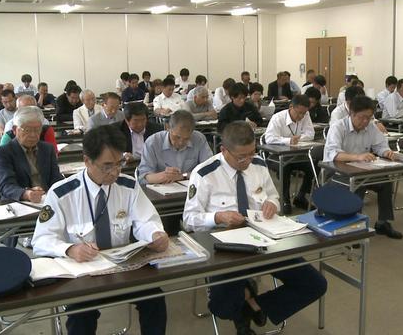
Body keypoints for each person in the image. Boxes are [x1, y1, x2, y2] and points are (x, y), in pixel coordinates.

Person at [183, 121, 327, 335]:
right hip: (224, 247)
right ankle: (244, 300)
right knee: (222, 306)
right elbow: (189, 219)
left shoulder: (258, 165)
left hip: (263, 240)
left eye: (252, 153)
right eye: (241, 156)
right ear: (224, 151)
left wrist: (272, 204)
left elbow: (273, 196)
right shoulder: (204, 174)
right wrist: (218, 216)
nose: (247, 161)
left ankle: (254, 305)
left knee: (314, 284)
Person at [31, 125, 168, 335]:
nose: (115, 172)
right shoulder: (62, 194)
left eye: (119, 163)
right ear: (87, 161)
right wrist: (70, 249)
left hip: (122, 269)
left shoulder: (128, 186)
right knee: (81, 315)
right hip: (83, 275)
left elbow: (144, 220)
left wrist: (154, 234)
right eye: (106, 166)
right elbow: (41, 240)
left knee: (155, 300)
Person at [323, 96, 403, 239]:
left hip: (361, 170)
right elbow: (333, 154)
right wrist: (357, 157)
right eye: (362, 117)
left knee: (385, 182)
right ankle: (353, 227)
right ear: (351, 114)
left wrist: (387, 152)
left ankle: (383, 222)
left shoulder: (370, 127)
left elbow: (380, 145)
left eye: (369, 117)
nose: (366, 121)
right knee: (359, 185)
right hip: (336, 172)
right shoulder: (338, 127)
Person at [0, 106, 63, 205]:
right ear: (14, 129)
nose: (33, 135)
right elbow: (6, 186)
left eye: (37, 130)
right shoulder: (3, 152)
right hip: (18, 203)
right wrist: (26, 194)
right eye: (27, 130)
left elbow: (56, 178)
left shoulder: (47, 149)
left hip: (47, 202)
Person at [264, 95, 315, 213]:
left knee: (314, 164)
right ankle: (285, 200)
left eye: (304, 113)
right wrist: (288, 140)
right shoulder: (278, 118)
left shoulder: (305, 115)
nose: (301, 116)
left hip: (297, 155)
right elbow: (269, 138)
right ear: (291, 107)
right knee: (285, 166)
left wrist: (299, 138)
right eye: (299, 113)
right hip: (277, 156)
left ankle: (301, 196)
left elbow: (310, 133)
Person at [138, 110, 212, 185]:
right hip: (161, 189)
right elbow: (143, 177)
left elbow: (210, 170)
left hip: (191, 188)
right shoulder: (153, 142)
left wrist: (183, 176)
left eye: (186, 139)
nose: (181, 142)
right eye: (177, 137)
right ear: (168, 127)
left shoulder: (199, 139)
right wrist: (164, 176)